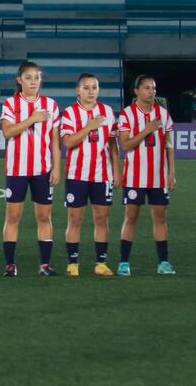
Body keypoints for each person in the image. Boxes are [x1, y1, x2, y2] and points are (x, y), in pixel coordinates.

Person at [0, 61, 61, 277]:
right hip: (17, 169)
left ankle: (45, 264)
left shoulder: (51, 105)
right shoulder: (10, 104)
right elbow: (8, 132)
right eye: (29, 77)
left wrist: (56, 167)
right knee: (13, 216)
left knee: (44, 216)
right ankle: (10, 264)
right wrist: (32, 118)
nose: (34, 81)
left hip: (43, 169)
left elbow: (54, 139)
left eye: (37, 77)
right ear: (19, 80)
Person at [61, 73, 120, 277]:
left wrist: (117, 170)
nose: (91, 91)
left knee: (102, 219)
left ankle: (101, 263)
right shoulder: (70, 113)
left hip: (102, 175)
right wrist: (89, 127)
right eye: (86, 87)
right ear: (78, 90)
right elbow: (68, 142)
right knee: (75, 219)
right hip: (76, 175)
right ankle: (73, 263)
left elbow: (112, 142)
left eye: (94, 87)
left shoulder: (107, 112)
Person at [117, 75, 177, 275]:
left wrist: (172, 173)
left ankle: (164, 263)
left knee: (160, 218)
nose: (152, 92)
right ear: (136, 91)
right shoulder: (127, 115)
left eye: (154, 88)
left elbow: (169, 145)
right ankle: (124, 263)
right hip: (135, 177)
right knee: (131, 217)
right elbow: (125, 145)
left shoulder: (163, 114)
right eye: (147, 88)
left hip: (158, 177)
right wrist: (147, 130)